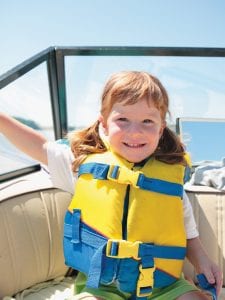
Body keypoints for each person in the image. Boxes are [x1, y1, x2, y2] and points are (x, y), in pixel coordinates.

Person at [0, 71, 222, 300]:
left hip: (164, 284)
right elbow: (39, 146)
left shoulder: (171, 178)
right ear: (104, 125)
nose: (135, 131)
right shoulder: (81, 165)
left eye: (147, 121)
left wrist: (203, 262)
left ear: (161, 128)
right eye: (122, 120)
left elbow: (188, 232)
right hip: (103, 285)